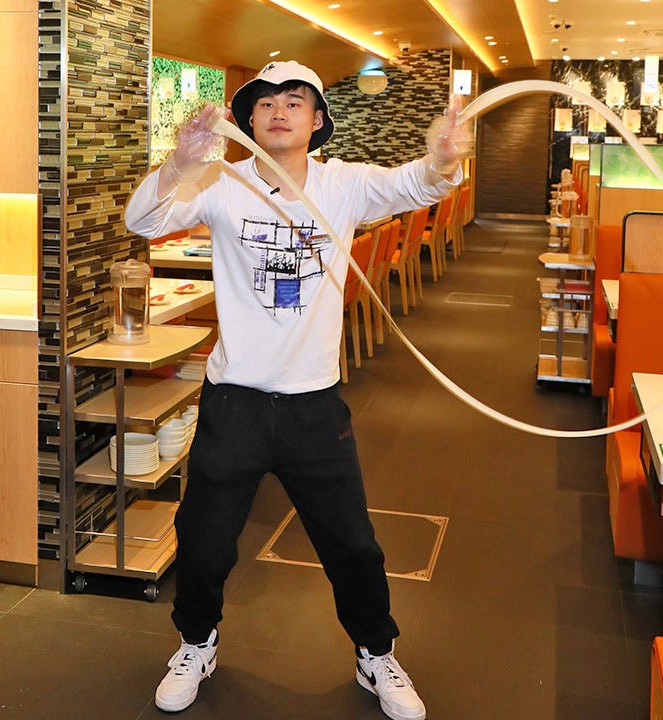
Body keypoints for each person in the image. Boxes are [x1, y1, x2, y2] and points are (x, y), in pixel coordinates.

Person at [125, 60, 468, 720]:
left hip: (314, 405)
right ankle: (197, 643)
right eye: (265, 103)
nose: (278, 111)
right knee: (203, 540)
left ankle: (376, 652)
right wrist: (181, 162)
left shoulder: (343, 185)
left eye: (294, 101)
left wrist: (443, 159)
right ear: (248, 120)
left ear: (316, 120)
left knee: (353, 545)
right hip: (235, 402)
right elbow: (143, 220)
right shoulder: (222, 183)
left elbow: (416, 184)